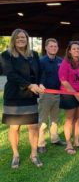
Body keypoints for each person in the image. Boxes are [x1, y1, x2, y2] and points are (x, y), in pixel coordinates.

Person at [1, 28, 44, 168]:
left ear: (27, 39)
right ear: (14, 39)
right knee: (14, 127)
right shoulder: (6, 55)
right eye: (18, 37)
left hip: (30, 96)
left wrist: (41, 83)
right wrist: (30, 85)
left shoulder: (34, 55)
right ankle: (16, 155)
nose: (21, 39)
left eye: (23, 37)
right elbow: (11, 75)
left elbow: (40, 72)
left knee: (33, 126)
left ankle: (34, 154)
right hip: (14, 96)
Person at [58, 41, 79, 155]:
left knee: (78, 119)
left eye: (78, 48)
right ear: (69, 51)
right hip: (69, 94)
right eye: (74, 49)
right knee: (69, 119)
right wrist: (75, 94)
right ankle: (68, 143)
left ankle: (77, 141)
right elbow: (64, 81)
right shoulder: (65, 63)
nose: (76, 50)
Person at [38, 38, 65, 154]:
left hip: (58, 94)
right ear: (46, 47)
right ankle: (40, 143)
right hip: (45, 95)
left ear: (58, 48)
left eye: (55, 46)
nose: (53, 48)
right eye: (51, 46)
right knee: (43, 121)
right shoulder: (41, 61)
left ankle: (55, 139)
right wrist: (39, 85)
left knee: (55, 119)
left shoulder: (61, 61)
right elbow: (36, 76)